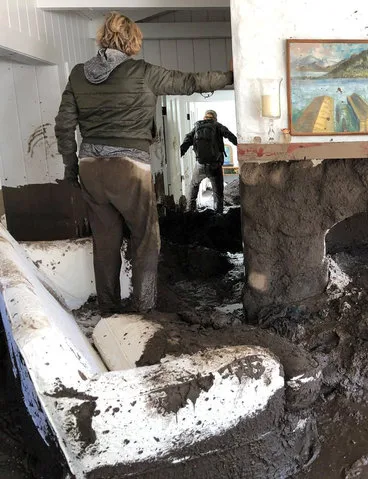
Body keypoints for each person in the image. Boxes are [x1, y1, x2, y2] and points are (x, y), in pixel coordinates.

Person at [54, 12, 233, 315]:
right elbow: (190, 82)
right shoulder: (142, 72)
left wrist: (72, 169)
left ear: (102, 38)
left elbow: (63, 126)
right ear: (133, 41)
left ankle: (109, 312)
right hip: (130, 168)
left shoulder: (77, 74)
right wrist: (229, 76)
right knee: (146, 239)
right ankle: (143, 310)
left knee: (106, 242)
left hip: (91, 168)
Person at [180, 110, 237, 213]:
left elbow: (187, 139)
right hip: (215, 165)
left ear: (204, 117)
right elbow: (229, 135)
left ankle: (189, 211)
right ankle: (218, 215)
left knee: (193, 187)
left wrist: (180, 152)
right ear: (215, 118)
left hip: (200, 165)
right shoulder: (218, 126)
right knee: (218, 193)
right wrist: (240, 145)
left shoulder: (197, 127)